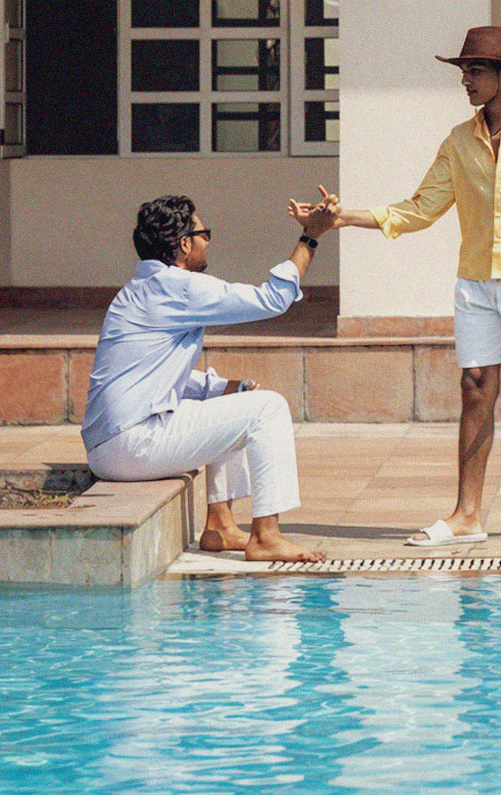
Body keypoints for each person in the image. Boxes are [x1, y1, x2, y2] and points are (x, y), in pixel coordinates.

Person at [296, 25, 501, 546]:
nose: (465, 81)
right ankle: (467, 515)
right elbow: (420, 208)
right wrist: (341, 219)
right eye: (463, 71)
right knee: (475, 388)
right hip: (476, 283)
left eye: (475, 71)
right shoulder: (458, 141)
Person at [82, 193, 338, 563]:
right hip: (130, 446)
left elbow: (151, 373)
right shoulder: (179, 286)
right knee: (268, 409)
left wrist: (222, 387)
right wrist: (310, 236)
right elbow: (273, 299)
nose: (208, 242)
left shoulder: (137, 290)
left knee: (230, 402)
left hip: (110, 448)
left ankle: (220, 527)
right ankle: (266, 537)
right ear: (184, 244)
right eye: (205, 234)